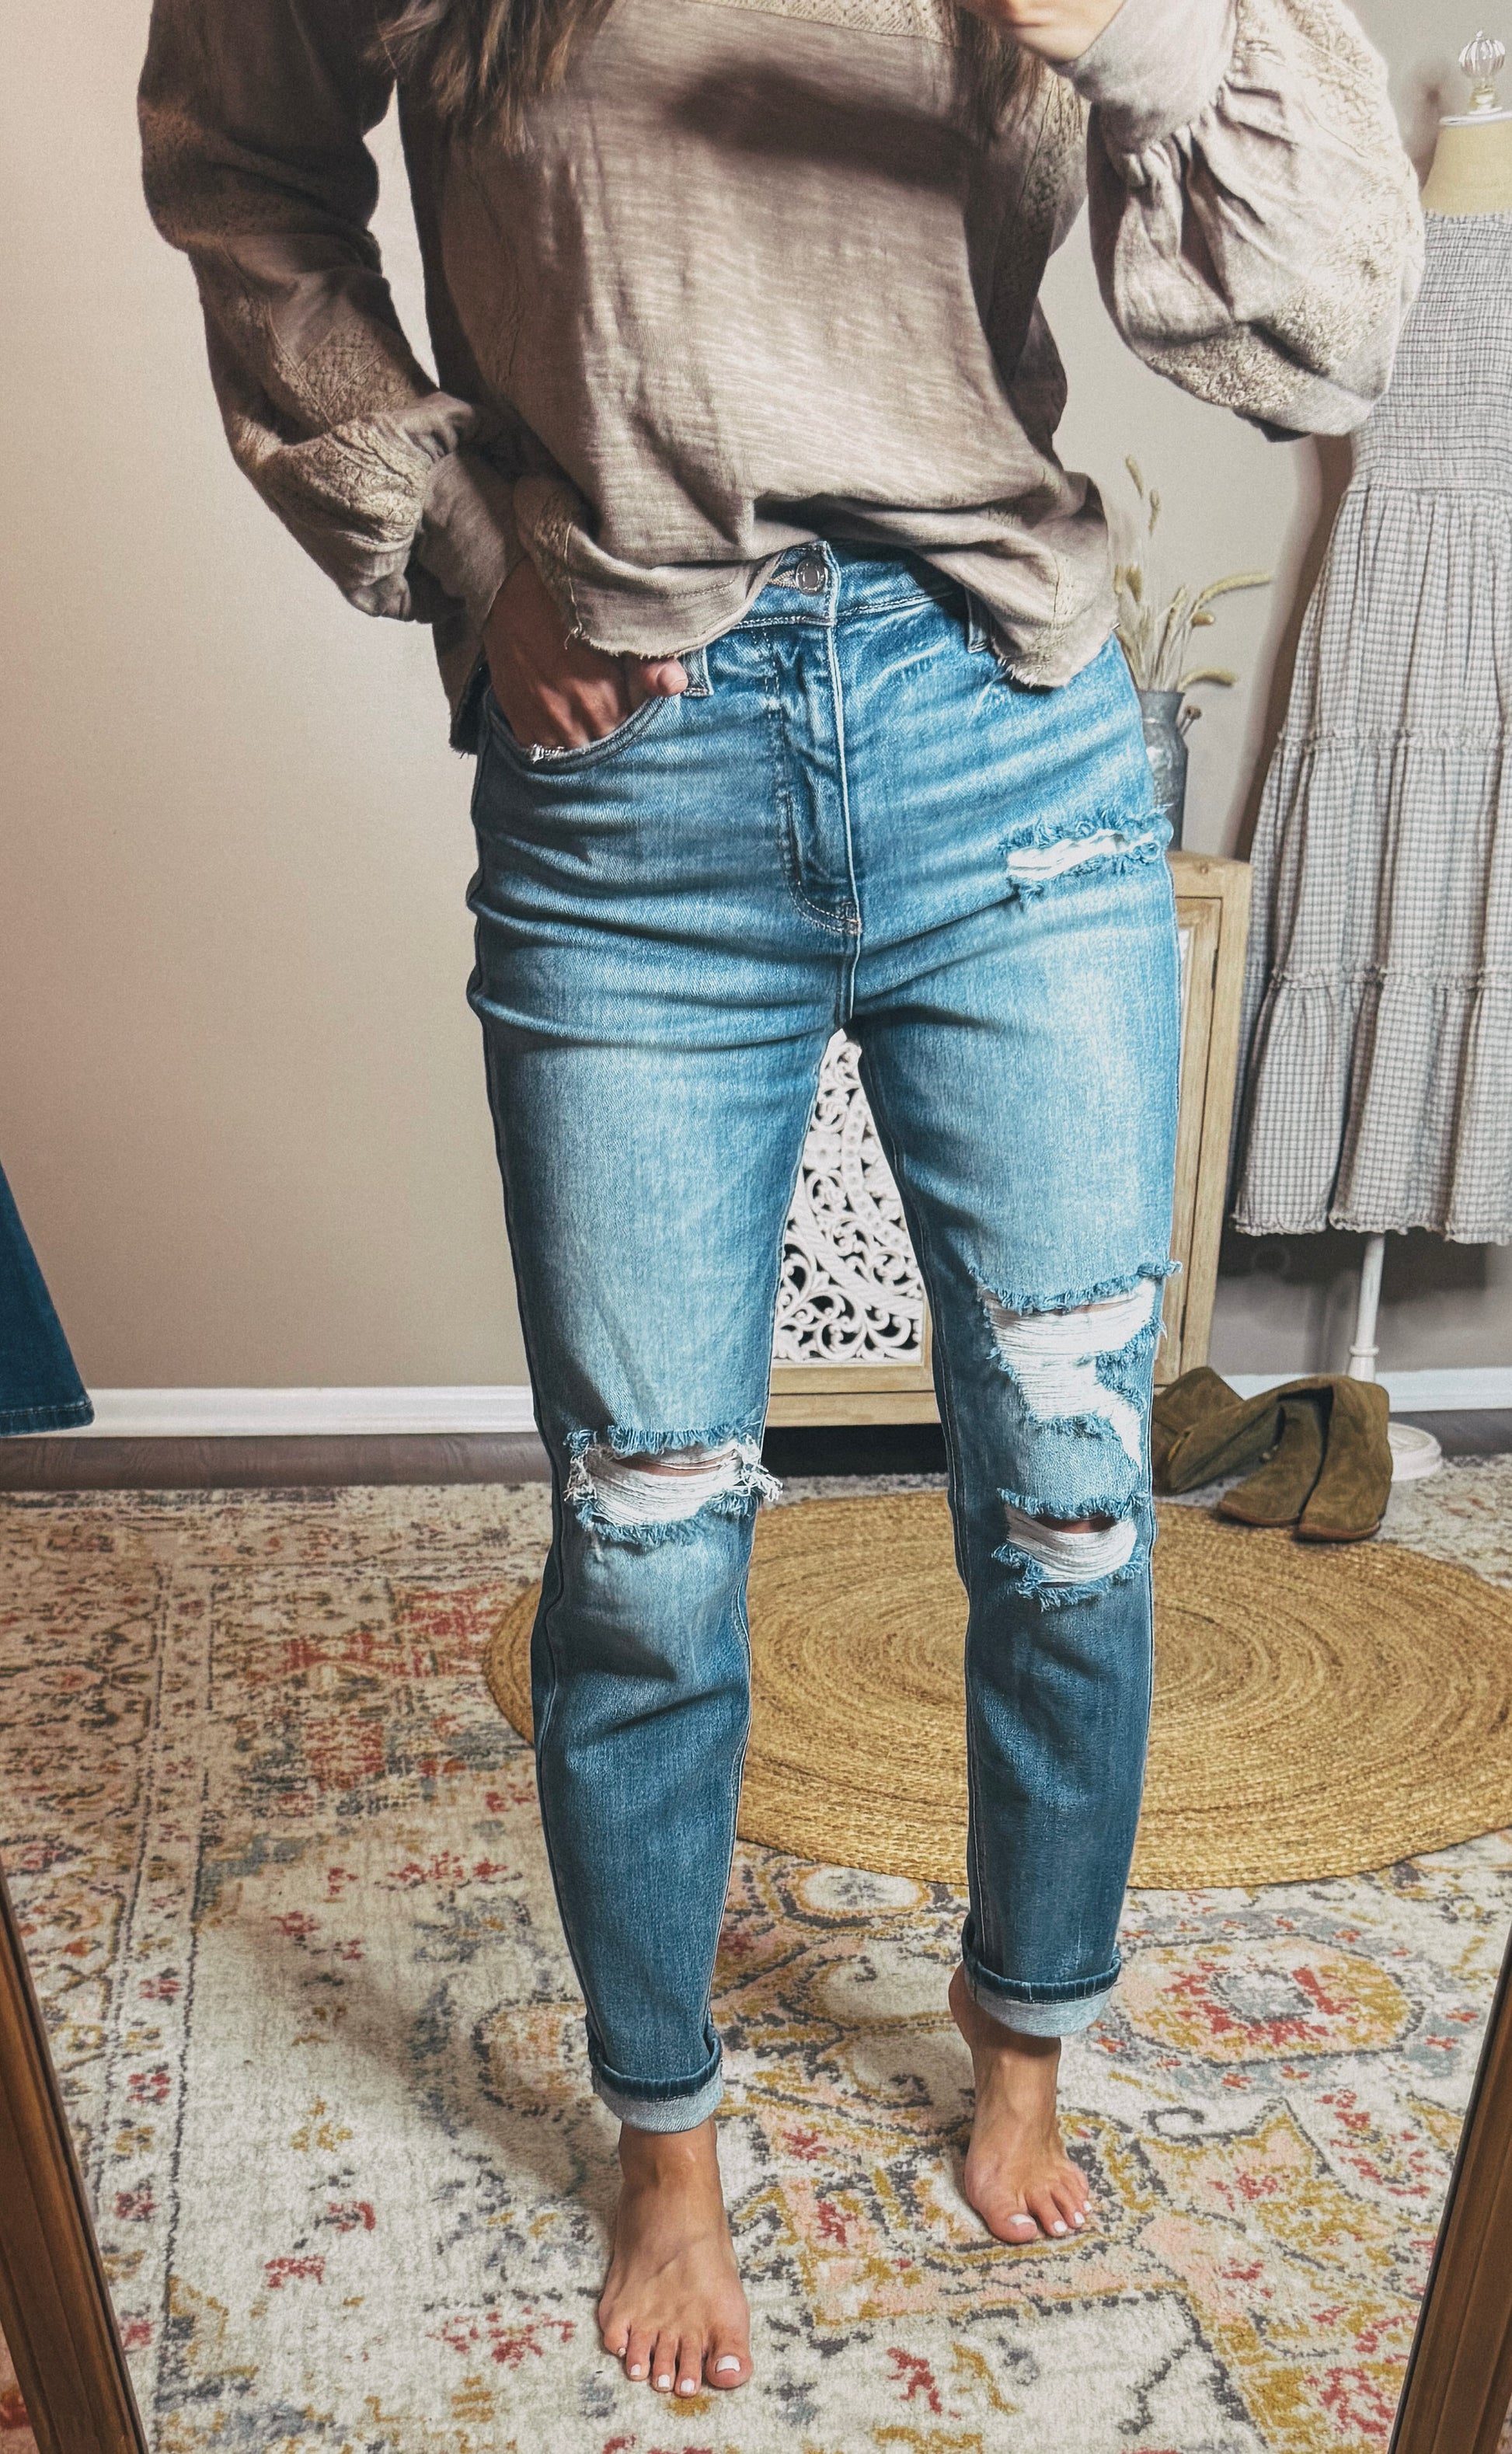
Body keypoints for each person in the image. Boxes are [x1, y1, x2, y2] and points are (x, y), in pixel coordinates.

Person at [139, 0, 1420, 2402]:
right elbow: (240, 165)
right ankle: (664, 2130)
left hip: (1003, 733)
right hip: (631, 758)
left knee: (1067, 1501)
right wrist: (459, 538)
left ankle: (1022, 2028)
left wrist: (1135, 33)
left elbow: (1322, 328)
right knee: (642, 1535)